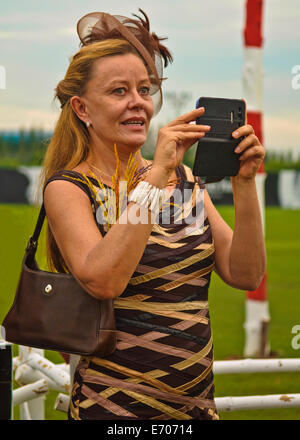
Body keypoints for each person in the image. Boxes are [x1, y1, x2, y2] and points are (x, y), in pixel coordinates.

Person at [41, 10, 266, 420]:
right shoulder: (69, 188)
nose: (138, 103)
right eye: (118, 91)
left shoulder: (184, 180)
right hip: (110, 412)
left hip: (196, 411)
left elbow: (246, 273)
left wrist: (245, 183)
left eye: (144, 89)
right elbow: (105, 278)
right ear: (82, 108)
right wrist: (156, 174)